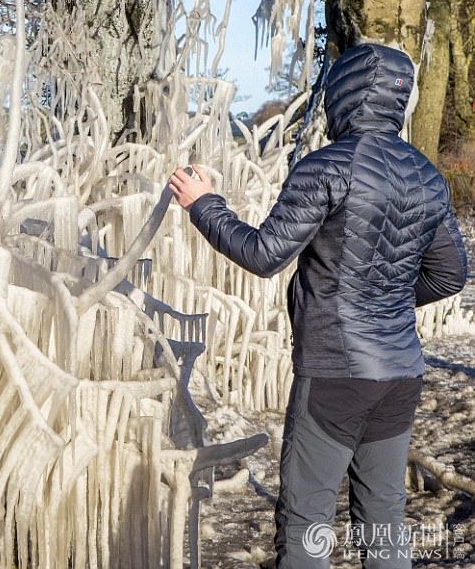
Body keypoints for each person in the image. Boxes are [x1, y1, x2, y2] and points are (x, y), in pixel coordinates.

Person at [168, 42, 469, 568]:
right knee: (384, 515)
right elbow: (449, 276)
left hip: (335, 372)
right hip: (401, 371)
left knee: (306, 520)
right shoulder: (426, 175)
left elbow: (264, 254)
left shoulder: (326, 167)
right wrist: (384, 299)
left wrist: (205, 205)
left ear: (343, 93)